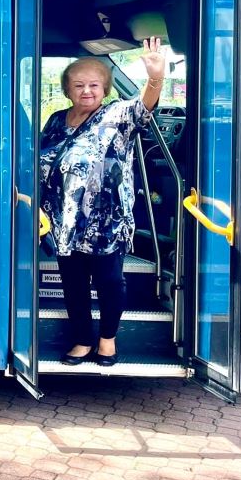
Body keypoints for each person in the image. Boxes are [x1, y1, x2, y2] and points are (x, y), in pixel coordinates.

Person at [39, 38, 165, 367]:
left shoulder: (116, 115)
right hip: (63, 222)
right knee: (73, 285)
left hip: (107, 221)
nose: (87, 91)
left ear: (105, 88)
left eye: (94, 85)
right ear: (67, 90)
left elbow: (143, 107)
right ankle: (82, 340)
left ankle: (107, 340)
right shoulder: (55, 121)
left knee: (109, 282)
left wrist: (155, 77)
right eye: (78, 85)